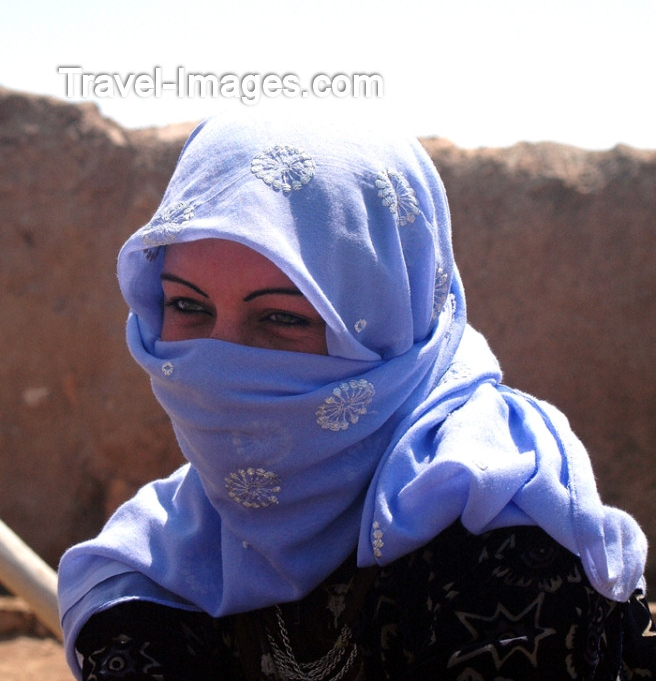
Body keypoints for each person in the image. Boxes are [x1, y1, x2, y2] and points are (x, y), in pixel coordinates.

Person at [58, 111, 656, 680]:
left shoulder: (499, 525)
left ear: (387, 318)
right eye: (188, 305)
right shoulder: (155, 560)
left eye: (281, 318)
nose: (222, 357)